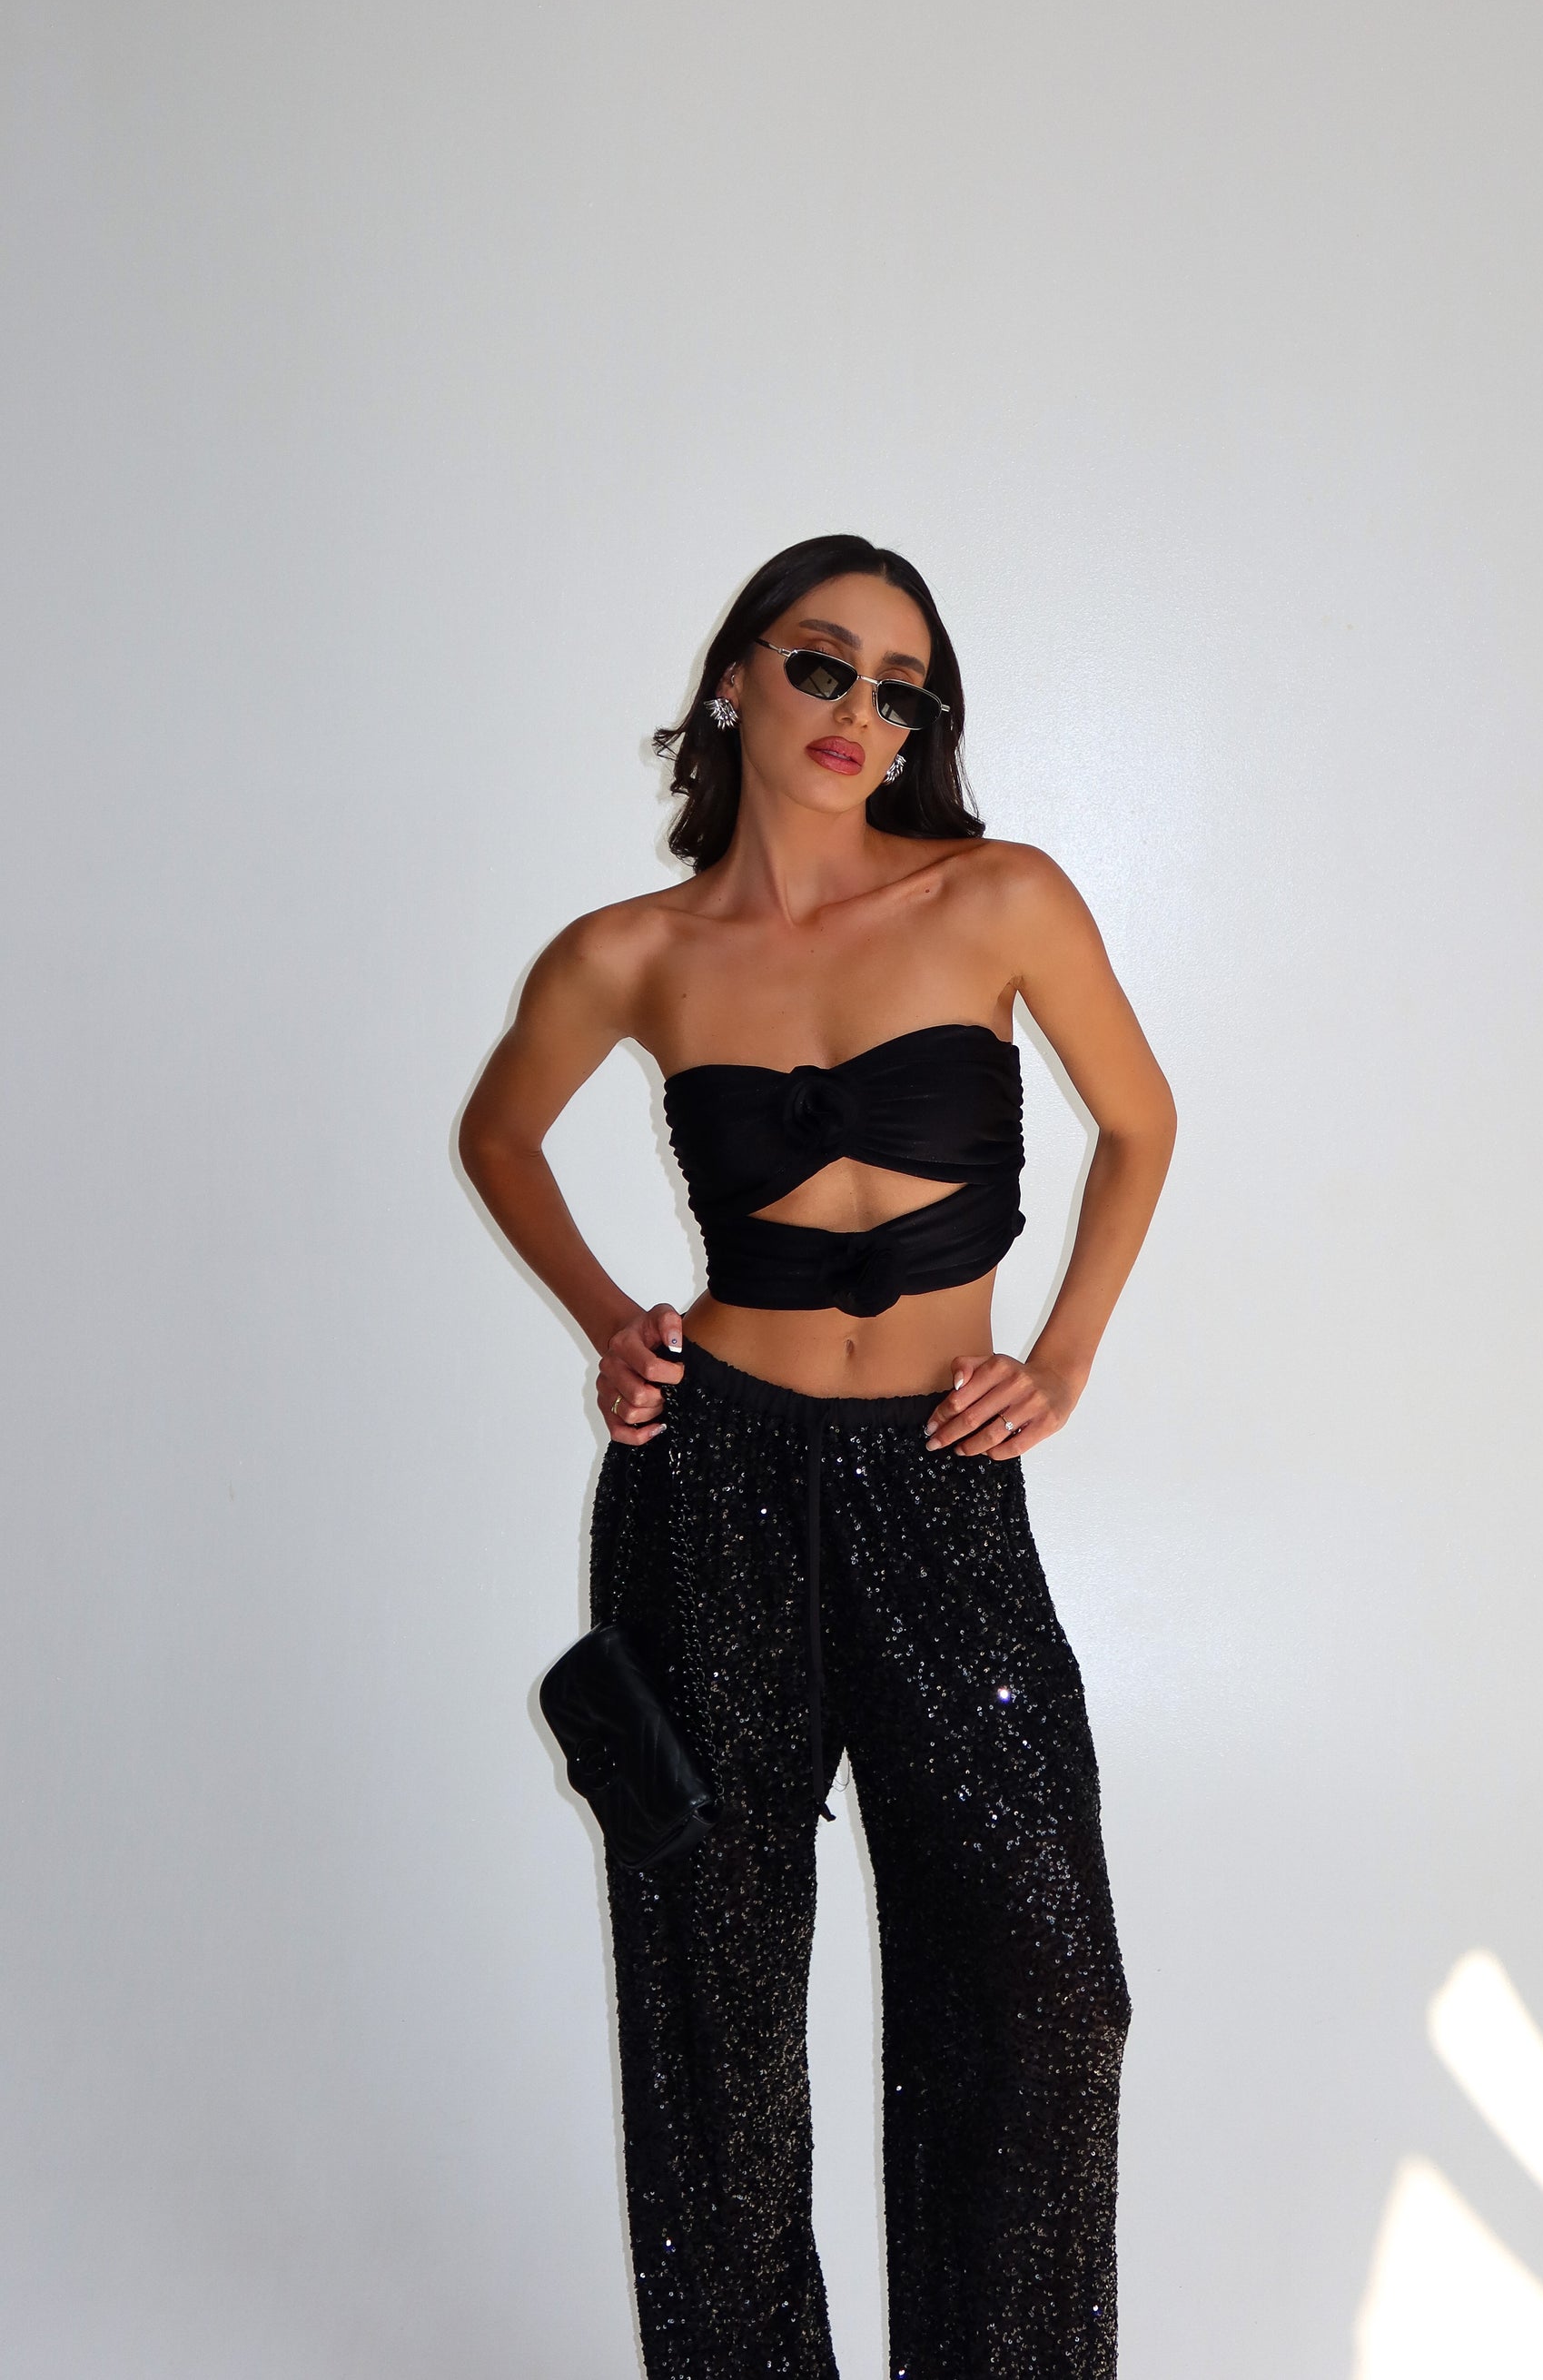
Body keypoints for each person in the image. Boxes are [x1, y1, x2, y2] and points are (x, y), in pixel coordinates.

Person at [458, 533, 1174, 2379]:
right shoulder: (630, 953)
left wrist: (1062, 1358)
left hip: (939, 1481)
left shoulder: (997, 898)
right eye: (822, 662)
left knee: (1043, 1983)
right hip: (708, 1489)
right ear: (734, 677)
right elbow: (498, 1136)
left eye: (900, 686)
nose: (862, 708)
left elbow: (1140, 1121)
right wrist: (613, 1322)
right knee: (715, 2010)